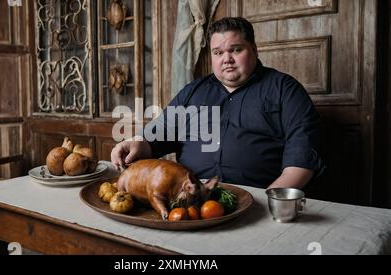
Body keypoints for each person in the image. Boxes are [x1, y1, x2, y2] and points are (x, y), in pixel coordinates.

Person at [111, 17, 324, 189]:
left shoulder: (285, 90)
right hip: (192, 198)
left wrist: (269, 203)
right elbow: (159, 134)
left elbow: (302, 158)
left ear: (255, 50)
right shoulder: (192, 92)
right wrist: (136, 143)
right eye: (218, 52)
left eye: (236, 50)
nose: (226, 59)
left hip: (259, 198)